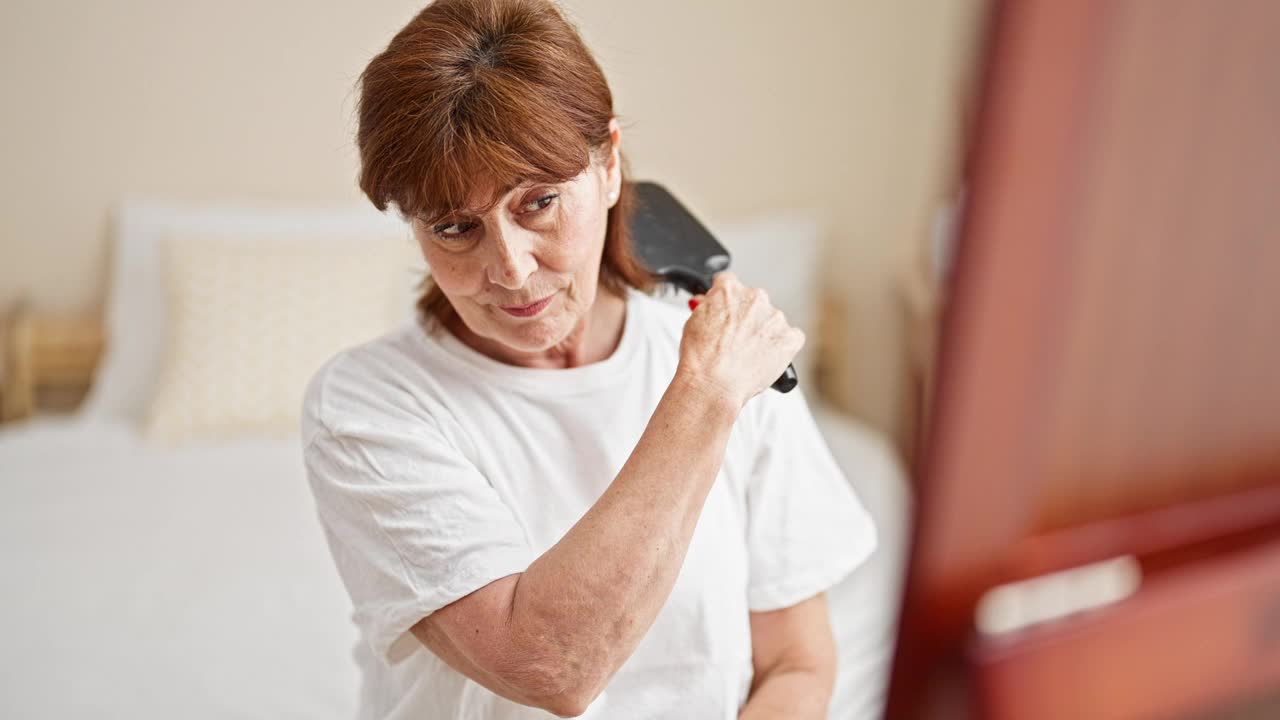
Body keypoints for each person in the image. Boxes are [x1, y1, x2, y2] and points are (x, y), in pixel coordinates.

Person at [301, 0, 876, 717]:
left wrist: (716, 380)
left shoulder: (730, 364)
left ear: (607, 166)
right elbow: (550, 667)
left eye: (538, 202)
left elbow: (795, 664)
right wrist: (702, 399)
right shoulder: (367, 407)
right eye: (455, 227)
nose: (509, 268)